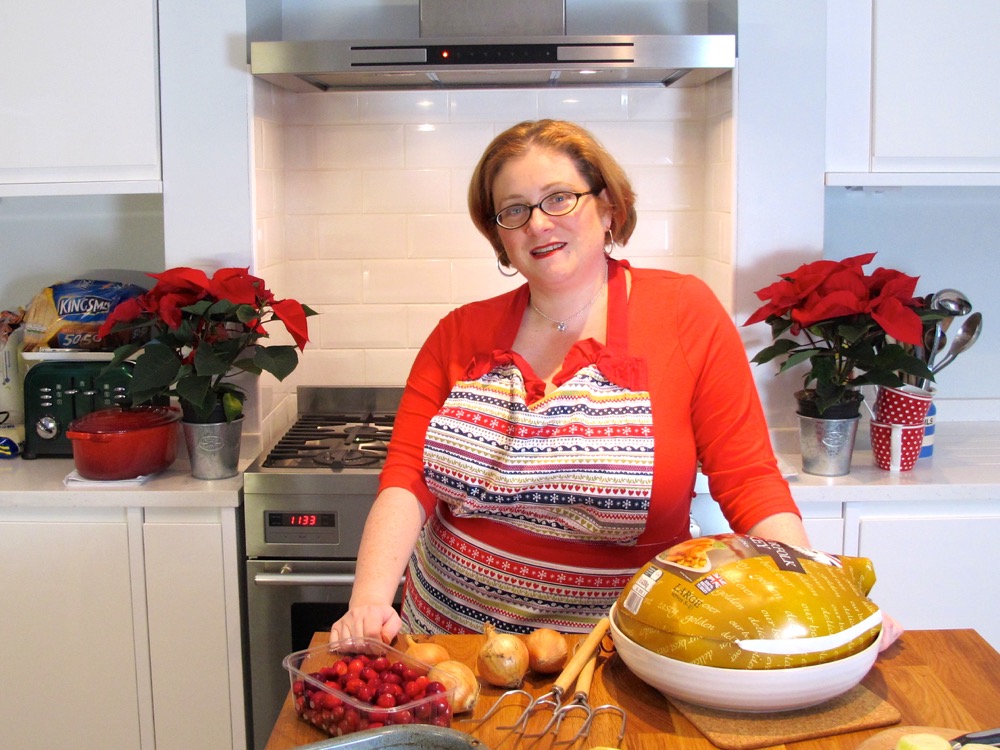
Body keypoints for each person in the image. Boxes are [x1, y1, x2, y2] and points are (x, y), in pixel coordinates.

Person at [330, 119, 900, 650]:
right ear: (499, 235)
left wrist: (819, 595)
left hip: (622, 650)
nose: (538, 223)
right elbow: (407, 477)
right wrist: (370, 600)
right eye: (514, 210)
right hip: (452, 643)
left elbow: (748, 479)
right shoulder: (459, 332)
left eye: (559, 197)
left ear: (606, 206)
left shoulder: (684, 312)